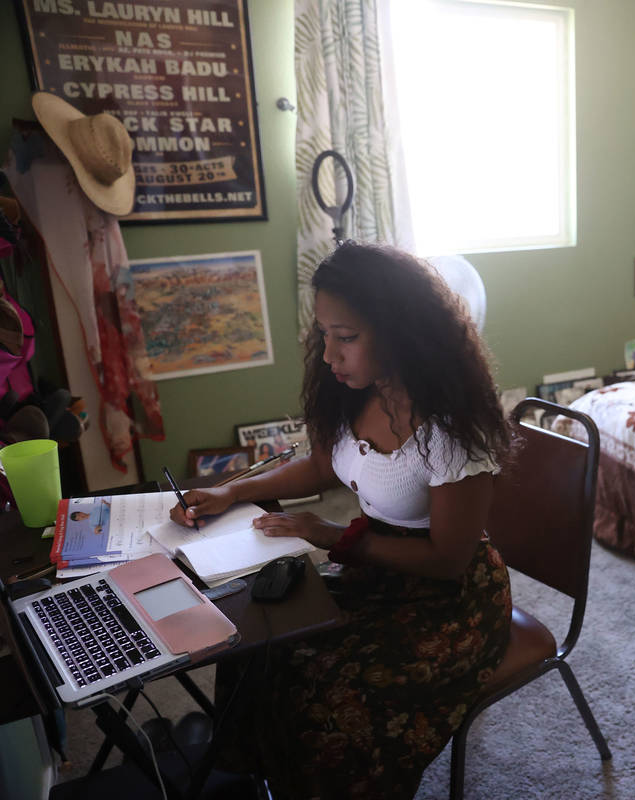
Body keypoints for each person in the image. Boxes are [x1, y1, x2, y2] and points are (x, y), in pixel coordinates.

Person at [170, 242, 513, 798]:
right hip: (374, 567)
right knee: (259, 640)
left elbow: (447, 561)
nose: (329, 355)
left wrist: (331, 537)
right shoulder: (363, 390)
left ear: (401, 330)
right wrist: (232, 491)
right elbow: (326, 464)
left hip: (450, 600)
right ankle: (262, 777)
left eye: (346, 338)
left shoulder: (449, 429)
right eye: (323, 335)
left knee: (328, 696)